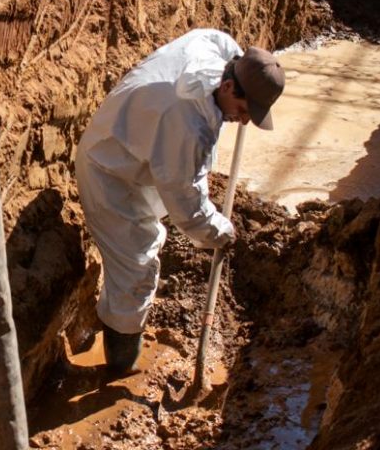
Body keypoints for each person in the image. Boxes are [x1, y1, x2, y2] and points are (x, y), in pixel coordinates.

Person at [75, 28, 285, 373]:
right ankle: (119, 368)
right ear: (229, 86)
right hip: (110, 172)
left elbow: (220, 41)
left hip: (132, 143)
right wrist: (219, 232)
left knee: (144, 251)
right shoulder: (186, 123)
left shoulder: (217, 52)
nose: (244, 120)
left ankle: (119, 340)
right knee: (136, 273)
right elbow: (186, 204)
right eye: (244, 110)